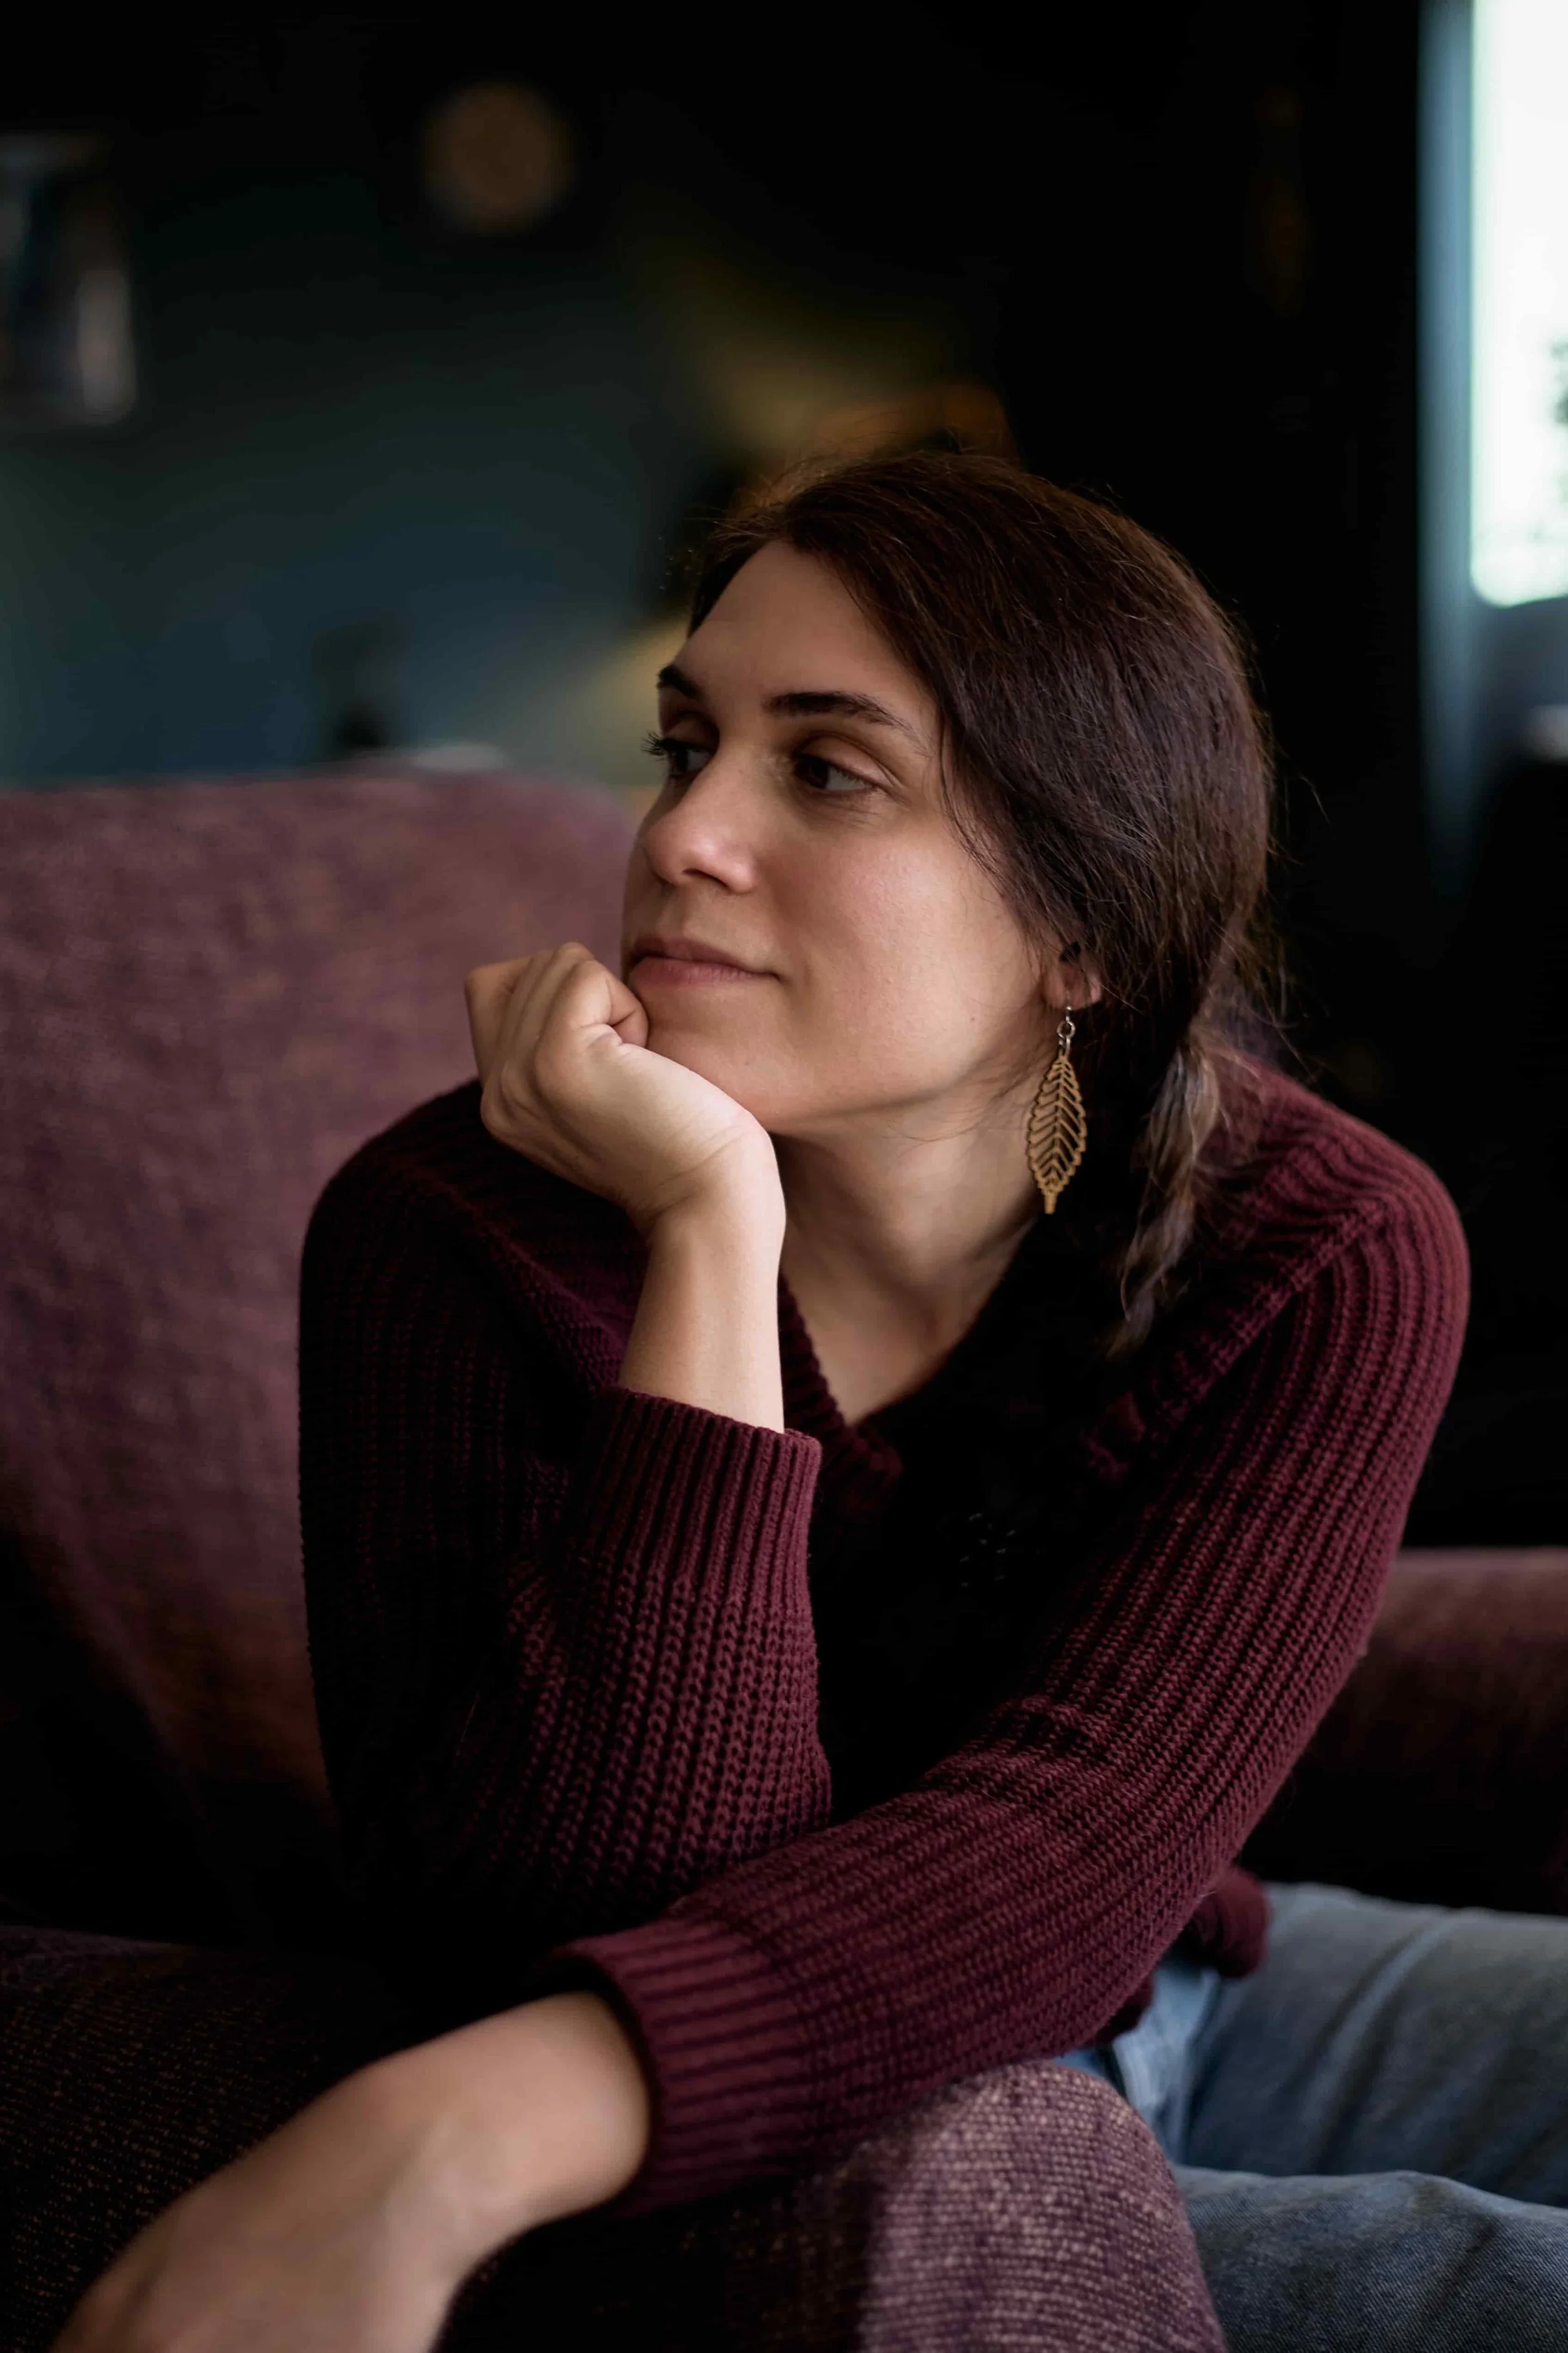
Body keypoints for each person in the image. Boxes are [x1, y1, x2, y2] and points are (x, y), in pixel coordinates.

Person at [53, 451, 1568, 2353]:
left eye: (824, 768)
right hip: (794, 2155)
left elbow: (1076, 1852)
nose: (683, 832)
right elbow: (589, 1906)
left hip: (1155, 1982)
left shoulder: (1319, 1245)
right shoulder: (445, 1236)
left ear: (1083, 924)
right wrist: (703, 1232)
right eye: (681, 743)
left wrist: (431, 2144)